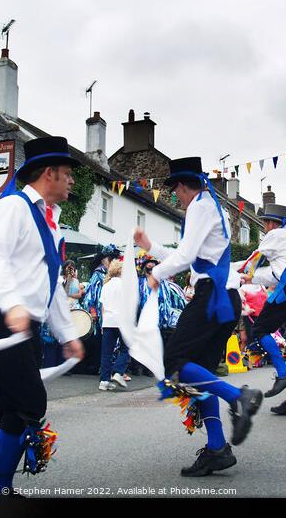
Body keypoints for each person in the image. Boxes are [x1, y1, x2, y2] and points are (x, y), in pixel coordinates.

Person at [0, 136, 85, 496]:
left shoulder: (50, 223)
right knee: (29, 403)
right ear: (50, 173)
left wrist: (67, 333)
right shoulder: (13, 206)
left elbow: (52, 286)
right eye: (68, 174)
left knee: (14, 407)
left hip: (18, 320)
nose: (72, 181)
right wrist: (13, 305)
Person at [134, 156, 263, 477]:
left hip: (212, 296)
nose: (175, 196)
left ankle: (239, 397)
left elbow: (187, 256)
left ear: (182, 185)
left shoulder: (199, 207)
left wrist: (156, 275)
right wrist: (151, 248)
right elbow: (191, 257)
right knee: (200, 373)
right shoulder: (207, 206)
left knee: (174, 364)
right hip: (222, 298)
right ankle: (217, 448)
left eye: (175, 189)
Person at [238, 203, 286, 416]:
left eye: (264, 223)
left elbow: (254, 258)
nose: (264, 228)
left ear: (270, 223)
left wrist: (236, 272)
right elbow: (276, 274)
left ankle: (283, 373)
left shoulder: (275, 235)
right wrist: (252, 278)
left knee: (260, 329)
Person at [80, 243, 122, 374]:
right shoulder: (98, 275)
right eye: (112, 258)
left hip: (111, 314)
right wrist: (93, 311)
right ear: (105, 259)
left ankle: (108, 369)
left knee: (109, 343)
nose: (114, 261)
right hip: (100, 314)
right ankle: (97, 367)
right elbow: (90, 296)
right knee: (100, 342)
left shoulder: (114, 276)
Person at [98, 259, 131, 390]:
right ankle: (118, 372)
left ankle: (104, 381)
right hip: (122, 320)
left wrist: (102, 323)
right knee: (126, 348)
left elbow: (103, 307)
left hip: (108, 320)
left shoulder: (106, 285)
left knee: (106, 352)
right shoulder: (126, 285)